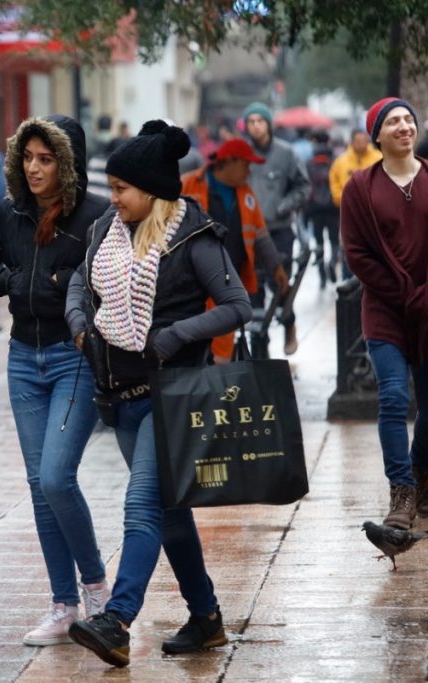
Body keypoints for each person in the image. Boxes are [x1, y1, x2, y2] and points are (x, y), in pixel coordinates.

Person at [64, 120, 252, 668]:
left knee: (142, 503)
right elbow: (81, 281)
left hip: (174, 396)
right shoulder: (109, 230)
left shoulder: (193, 236)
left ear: (151, 190)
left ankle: (117, 620)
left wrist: (173, 335)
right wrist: (80, 321)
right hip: (119, 393)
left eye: (122, 188)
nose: (113, 197)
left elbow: (236, 305)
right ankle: (207, 618)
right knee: (170, 514)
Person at [0, 114, 110, 646]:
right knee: (39, 488)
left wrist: (68, 289)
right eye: (28, 157)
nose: (35, 167)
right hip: (23, 357)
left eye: (46, 158)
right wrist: (10, 279)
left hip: (74, 359)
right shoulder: (11, 212)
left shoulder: (97, 215)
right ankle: (63, 604)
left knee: (55, 477)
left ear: (67, 163)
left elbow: (114, 281)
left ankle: (97, 592)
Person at [340, 97, 428, 532]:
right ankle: (402, 490)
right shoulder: (360, 187)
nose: (403, 127)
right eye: (392, 122)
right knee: (393, 397)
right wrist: (402, 293)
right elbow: (356, 254)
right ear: (377, 135)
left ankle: (422, 477)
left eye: (408, 119)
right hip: (385, 310)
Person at [181, 138, 289, 362]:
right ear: (228, 161)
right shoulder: (189, 184)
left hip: (228, 284)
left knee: (222, 346)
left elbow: (260, 235)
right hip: (192, 285)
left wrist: (276, 267)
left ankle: (220, 389)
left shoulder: (246, 194)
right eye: (245, 165)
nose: (249, 171)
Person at [242, 101, 311, 355]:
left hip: (279, 230)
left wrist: (284, 206)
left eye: (260, 121)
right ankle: (260, 348)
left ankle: (289, 324)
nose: (256, 126)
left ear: (268, 124)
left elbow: (303, 187)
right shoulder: (241, 155)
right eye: (251, 122)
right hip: (248, 233)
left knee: (280, 283)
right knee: (253, 289)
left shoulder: (286, 153)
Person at [329, 128, 380, 281]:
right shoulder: (340, 162)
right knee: (349, 252)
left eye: (364, 140)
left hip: (376, 217)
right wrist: (348, 201)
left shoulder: (379, 158)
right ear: (351, 142)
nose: (361, 144)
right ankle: (348, 287)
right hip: (349, 216)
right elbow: (335, 187)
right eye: (358, 141)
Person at [304, 130, 340, 288]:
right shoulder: (335, 160)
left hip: (314, 208)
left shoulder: (309, 162)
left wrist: (304, 212)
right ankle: (332, 262)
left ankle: (322, 277)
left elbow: (305, 185)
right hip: (333, 206)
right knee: (334, 240)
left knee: (318, 242)